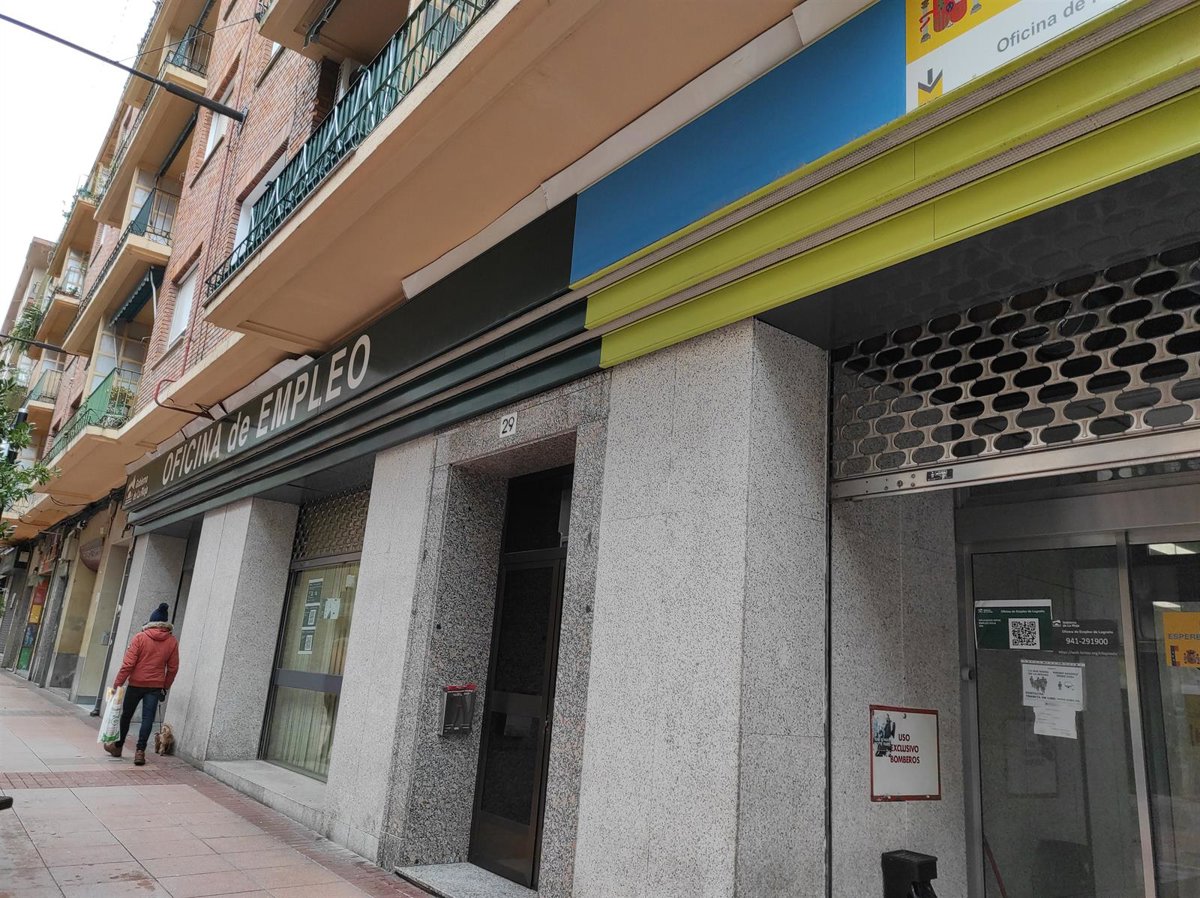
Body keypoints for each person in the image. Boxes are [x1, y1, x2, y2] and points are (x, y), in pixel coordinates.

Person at [104, 602, 179, 766]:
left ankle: (118, 747)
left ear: (151, 621)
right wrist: (165, 686)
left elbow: (128, 665)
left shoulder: (140, 637)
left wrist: (117, 684)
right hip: (155, 686)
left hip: (136, 684)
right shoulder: (172, 641)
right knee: (148, 719)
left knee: (126, 716)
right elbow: (173, 668)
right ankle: (140, 752)